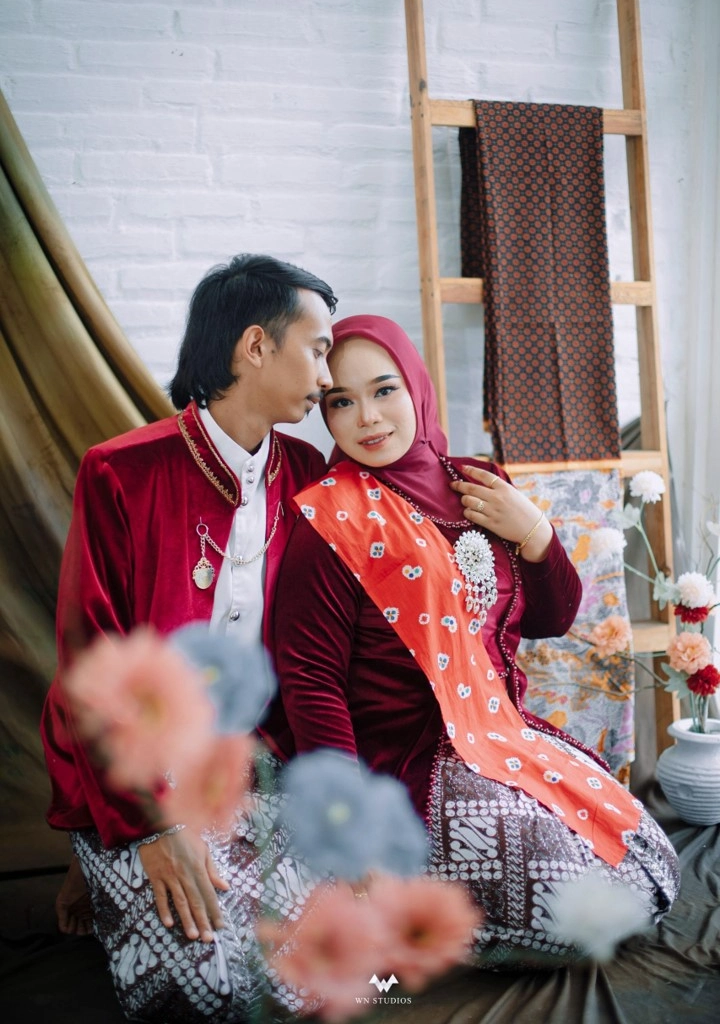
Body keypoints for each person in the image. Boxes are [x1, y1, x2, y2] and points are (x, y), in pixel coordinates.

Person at [271, 315, 679, 965]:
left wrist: (536, 534)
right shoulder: (330, 516)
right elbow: (310, 679)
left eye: (384, 390)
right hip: (408, 762)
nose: (367, 418)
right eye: (340, 402)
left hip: (500, 735)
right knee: (584, 916)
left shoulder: (477, 484)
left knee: (653, 869)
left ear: (417, 386)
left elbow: (551, 619)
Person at [39, 253, 337, 1019]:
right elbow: (91, 666)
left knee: (320, 968)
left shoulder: (308, 473)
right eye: (318, 350)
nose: (327, 375)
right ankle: (95, 843)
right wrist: (153, 826)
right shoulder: (121, 473)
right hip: (137, 775)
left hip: (253, 763)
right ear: (255, 346)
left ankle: (100, 863)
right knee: (210, 994)